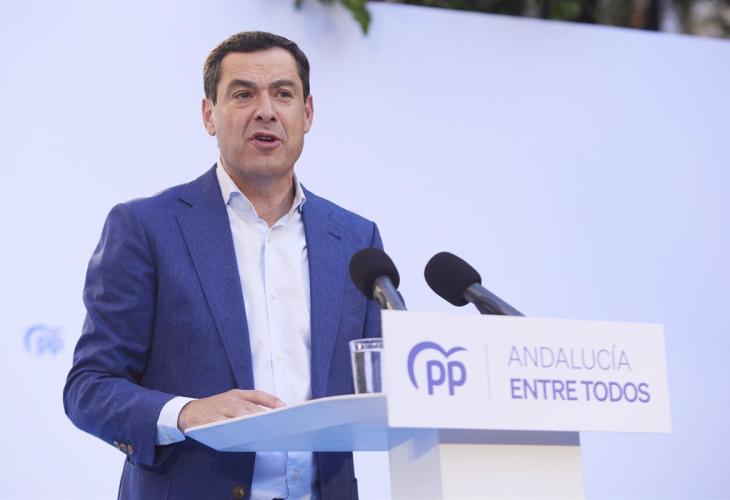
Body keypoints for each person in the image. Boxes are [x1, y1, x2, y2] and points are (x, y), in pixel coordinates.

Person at [63, 31, 382, 500]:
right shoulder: (147, 228)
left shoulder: (355, 240)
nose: (266, 111)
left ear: (307, 113)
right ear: (209, 114)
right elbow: (89, 388)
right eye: (243, 94)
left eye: (283, 94)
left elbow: (385, 380)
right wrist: (186, 413)